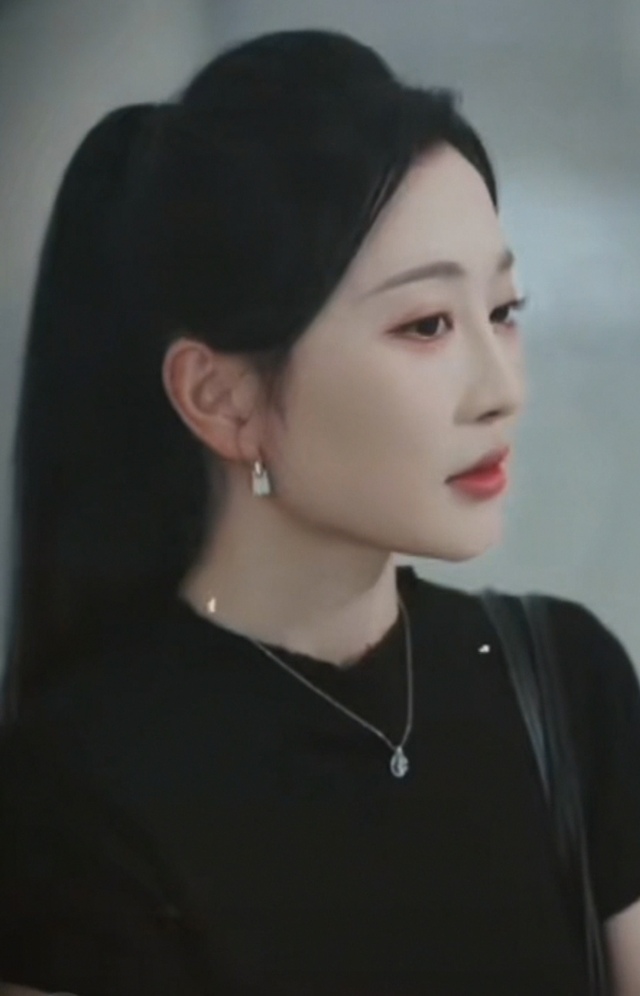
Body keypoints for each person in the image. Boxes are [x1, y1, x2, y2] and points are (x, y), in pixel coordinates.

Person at [0, 27, 639, 996]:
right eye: (426, 324)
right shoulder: (73, 794)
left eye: (504, 312)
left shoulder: (565, 686)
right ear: (221, 398)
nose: (502, 390)